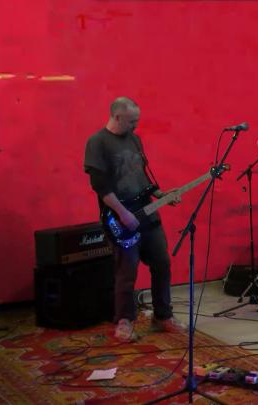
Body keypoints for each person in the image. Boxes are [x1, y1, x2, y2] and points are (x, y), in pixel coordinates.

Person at [84, 97, 182, 343]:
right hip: (120, 218)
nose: (136, 125)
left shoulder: (135, 139)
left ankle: (162, 315)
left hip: (147, 213)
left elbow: (142, 177)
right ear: (117, 117)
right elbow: (100, 186)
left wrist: (161, 195)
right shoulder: (97, 142)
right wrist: (123, 213)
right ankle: (124, 321)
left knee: (162, 263)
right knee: (126, 271)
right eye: (131, 121)